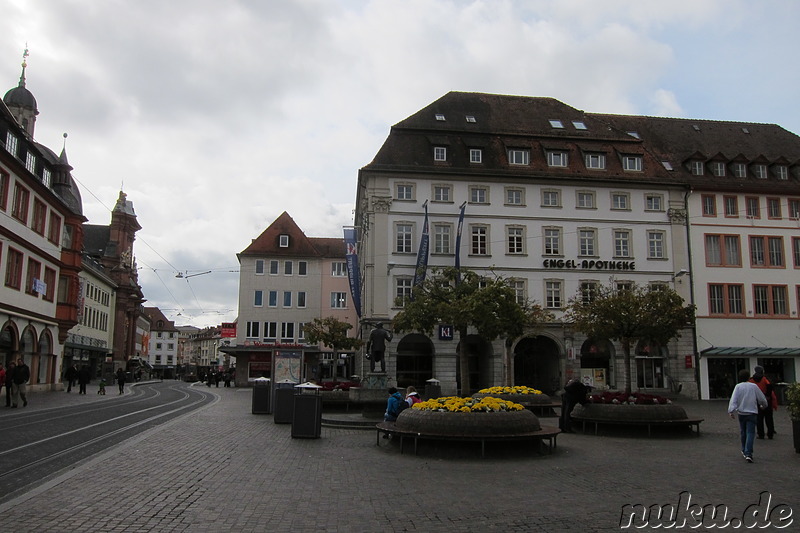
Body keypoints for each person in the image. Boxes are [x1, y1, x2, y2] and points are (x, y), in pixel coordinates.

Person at [728, 368, 768, 463]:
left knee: (743, 431)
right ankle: (748, 452)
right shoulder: (753, 386)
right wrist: (764, 405)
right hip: (752, 412)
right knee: (750, 432)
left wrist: (731, 411)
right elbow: (762, 398)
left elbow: (734, 399)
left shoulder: (738, 387)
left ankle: (743, 449)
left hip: (742, 413)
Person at [749, 366, 777, 440]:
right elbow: (770, 386)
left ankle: (761, 434)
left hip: (757, 400)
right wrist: (768, 396)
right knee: (769, 418)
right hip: (766, 400)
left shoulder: (751, 380)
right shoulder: (765, 379)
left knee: (759, 418)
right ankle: (770, 433)